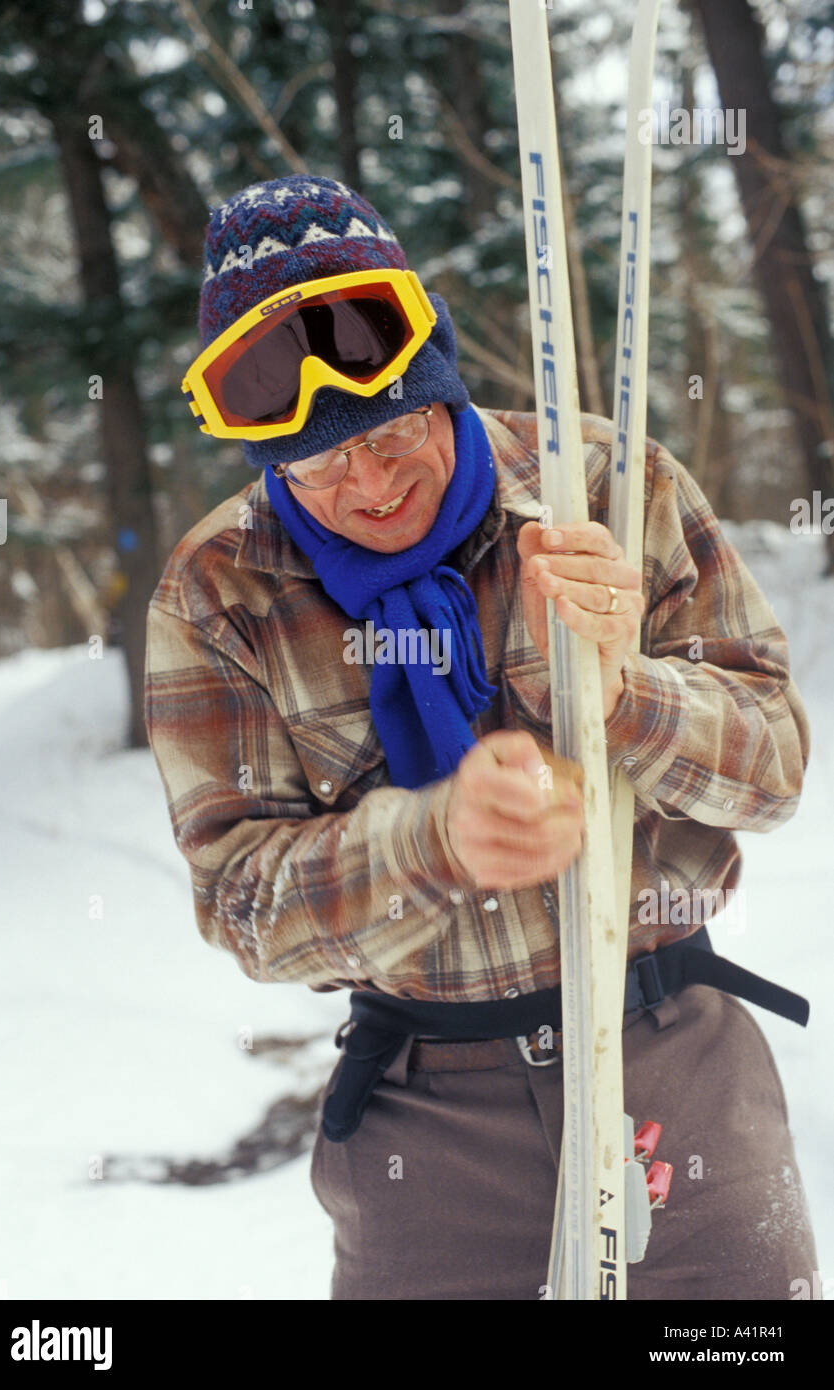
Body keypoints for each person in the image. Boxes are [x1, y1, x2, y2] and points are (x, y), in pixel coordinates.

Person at [145, 175, 817, 1301]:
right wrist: (433, 842)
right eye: (320, 461)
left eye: (395, 430)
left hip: (673, 1052)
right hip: (426, 1111)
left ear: (441, 377)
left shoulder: (608, 483)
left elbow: (776, 771)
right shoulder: (220, 596)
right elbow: (243, 908)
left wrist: (622, 696)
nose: (368, 482)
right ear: (269, 460)